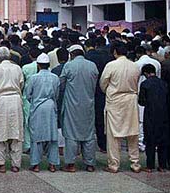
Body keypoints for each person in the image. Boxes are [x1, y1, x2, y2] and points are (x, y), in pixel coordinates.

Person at [100, 42, 141, 173]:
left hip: (115, 101)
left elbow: (103, 83)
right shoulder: (135, 66)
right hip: (131, 100)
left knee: (113, 135)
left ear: (115, 52)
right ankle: (135, 163)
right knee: (132, 133)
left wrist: (111, 91)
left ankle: (114, 164)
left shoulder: (111, 65)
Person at [59, 44, 99, 172]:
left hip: (72, 105)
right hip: (88, 104)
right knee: (88, 134)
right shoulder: (92, 65)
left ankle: (70, 164)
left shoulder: (69, 66)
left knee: (71, 134)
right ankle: (90, 164)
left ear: (71, 55)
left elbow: (61, 84)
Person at [0, 46, 24, 173]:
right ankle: (16, 164)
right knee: (16, 133)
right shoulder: (17, 68)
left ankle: (1, 164)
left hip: (1, 101)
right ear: (9, 56)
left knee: (0, 133)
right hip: (15, 101)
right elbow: (21, 84)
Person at [26, 53, 60, 172]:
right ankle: (52, 164)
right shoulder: (55, 77)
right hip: (50, 107)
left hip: (37, 107)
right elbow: (57, 94)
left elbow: (28, 94)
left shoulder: (33, 78)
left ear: (38, 65)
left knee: (36, 136)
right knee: (52, 136)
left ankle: (35, 164)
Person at [138, 63, 168, 172]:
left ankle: (150, 166)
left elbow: (141, 102)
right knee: (162, 142)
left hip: (150, 115)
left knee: (150, 141)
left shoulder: (145, 84)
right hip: (164, 115)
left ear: (145, 73)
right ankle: (162, 165)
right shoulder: (164, 83)